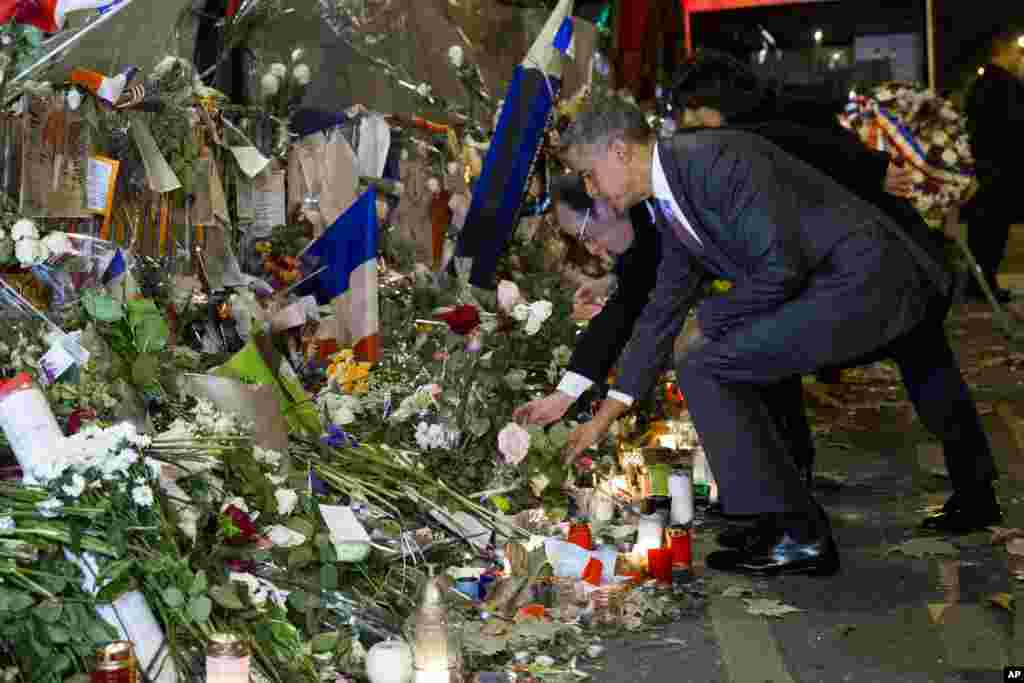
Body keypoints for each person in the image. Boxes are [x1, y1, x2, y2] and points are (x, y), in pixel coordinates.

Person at [558, 99, 1000, 577]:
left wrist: (706, 320)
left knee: (707, 363)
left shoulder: (713, 162)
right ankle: (778, 521)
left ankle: (796, 530)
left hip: (860, 279)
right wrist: (604, 416)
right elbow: (662, 310)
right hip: (841, 281)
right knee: (713, 359)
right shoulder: (671, 197)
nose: (591, 189)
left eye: (589, 174)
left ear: (619, 151)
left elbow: (778, 268)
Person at [669, 55, 999, 543]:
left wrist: (872, 169)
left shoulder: (757, 133)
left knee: (785, 362)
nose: (685, 127)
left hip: (873, 269)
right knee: (926, 366)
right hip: (892, 263)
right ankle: (974, 489)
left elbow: (823, 152)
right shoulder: (777, 119)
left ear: (709, 108)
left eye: (689, 114)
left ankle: (792, 489)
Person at [514, 174, 660, 426]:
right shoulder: (637, 230)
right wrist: (608, 281)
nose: (592, 249)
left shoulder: (659, 201)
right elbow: (632, 282)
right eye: (582, 240)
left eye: (586, 235)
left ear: (602, 204)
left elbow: (623, 310)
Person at [961, 31, 1024, 302]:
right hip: (1002, 169)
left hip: (983, 167)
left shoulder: (980, 83)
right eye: (1017, 52)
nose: (1019, 57)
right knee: (993, 232)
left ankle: (980, 283)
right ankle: (984, 285)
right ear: (1004, 51)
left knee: (982, 231)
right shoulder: (1006, 84)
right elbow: (1016, 126)